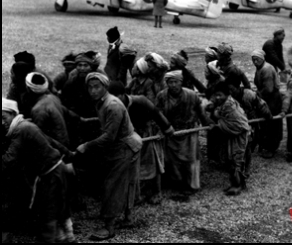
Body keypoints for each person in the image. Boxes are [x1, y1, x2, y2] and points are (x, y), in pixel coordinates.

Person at [76, 73, 142, 241]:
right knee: (126, 182)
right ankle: (128, 218)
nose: (93, 90)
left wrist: (86, 146)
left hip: (125, 146)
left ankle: (109, 227)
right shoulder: (102, 103)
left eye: (97, 87)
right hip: (122, 145)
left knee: (112, 185)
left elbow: (109, 137)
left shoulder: (112, 105)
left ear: (105, 87)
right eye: (90, 87)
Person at [2, 98, 73, 243]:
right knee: (57, 210)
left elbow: (9, 159)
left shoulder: (20, 130)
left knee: (48, 214)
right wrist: (69, 155)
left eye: (4, 117)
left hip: (51, 174)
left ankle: (55, 238)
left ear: (13, 114)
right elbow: (51, 141)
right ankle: (66, 238)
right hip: (55, 170)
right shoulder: (26, 125)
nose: (2, 122)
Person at [108, 81, 174, 204]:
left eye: (117, 96)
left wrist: (166, 128)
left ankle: (157, 192)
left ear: (123, 94)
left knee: (153, 163)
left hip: (148, 132)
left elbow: (157, 113)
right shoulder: (112, 105)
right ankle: (138, 193)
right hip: (131, 135)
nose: (114, 99)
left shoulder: (140, 101)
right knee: (134, 164)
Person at [156, 71, 211, 201]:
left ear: (181, 82)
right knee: (171, 159)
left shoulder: (191, 95)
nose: (173, 85)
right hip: (171, 132)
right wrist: (160, 129)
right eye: (170, 82)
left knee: (191, 159)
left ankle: (192, 185)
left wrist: (207, 124)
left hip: (189, 131)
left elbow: (200, 111)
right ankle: (177, 182)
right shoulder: (162, 96)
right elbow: (157, 114)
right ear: (167, 83)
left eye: (176, 82)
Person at [210, 81, 251, 196]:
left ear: (227, 94)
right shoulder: (225, 104)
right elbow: (222, 116)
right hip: (234, 135)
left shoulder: (230, 106)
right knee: (231, 159)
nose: (217, 97)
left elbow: (237, 125)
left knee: (236, 160)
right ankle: (238, 183)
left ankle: (237, 186)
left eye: (220, 95)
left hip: (239, 136)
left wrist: (219, 124)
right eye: (216, 95)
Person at [228, 82, 272, 173]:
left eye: (233, 90)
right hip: (239, 121)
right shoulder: (230, 98)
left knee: (252, 138)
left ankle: (247, 162)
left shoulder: (248, 94)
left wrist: (267, 114)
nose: (232, 92)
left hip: (252, 117)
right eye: (230, 91)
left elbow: (261, 104)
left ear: (238, 88)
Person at [26, 72, 71, 148]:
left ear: (29, 89)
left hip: (56, 149)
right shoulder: (53, 97)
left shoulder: (38, 109)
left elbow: (39, 137)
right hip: (64, 143)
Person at [252, 49, 283, 158]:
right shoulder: (259, 68)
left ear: (262, 59)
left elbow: (268, 89)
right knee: (265, 123)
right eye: (253, 60)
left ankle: (271, 148)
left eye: (257, 59)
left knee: (271, 123)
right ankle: (264, 144)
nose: (255, 62)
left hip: (272, 99)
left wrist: (256, 96)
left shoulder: (267, 69)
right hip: (265, 98)